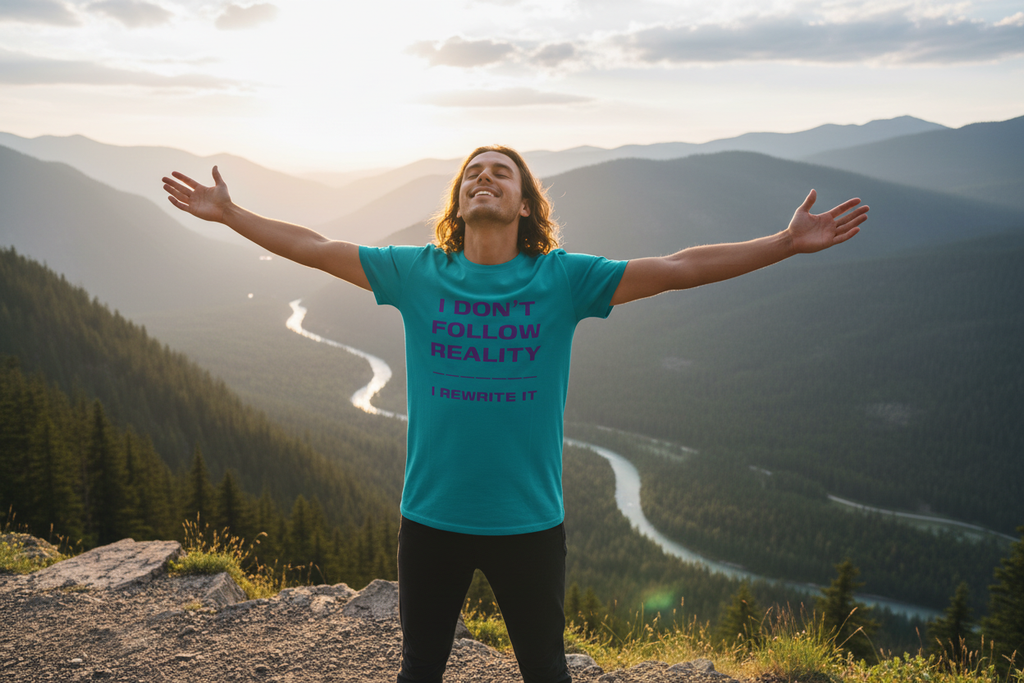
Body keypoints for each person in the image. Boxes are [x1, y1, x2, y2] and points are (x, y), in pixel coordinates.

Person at [162, 145, 868, 683]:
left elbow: (680, 265)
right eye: (473, 173)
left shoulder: (562, 279)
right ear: (457, 205)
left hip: (528, 524)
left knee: (546, 673)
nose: (484, 178)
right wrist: (230, 214)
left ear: (526, 205)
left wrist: (783, 244)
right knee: (419, 674)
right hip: (431, 518)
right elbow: (314, 248)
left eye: (502, 172)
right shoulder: (417, 273)